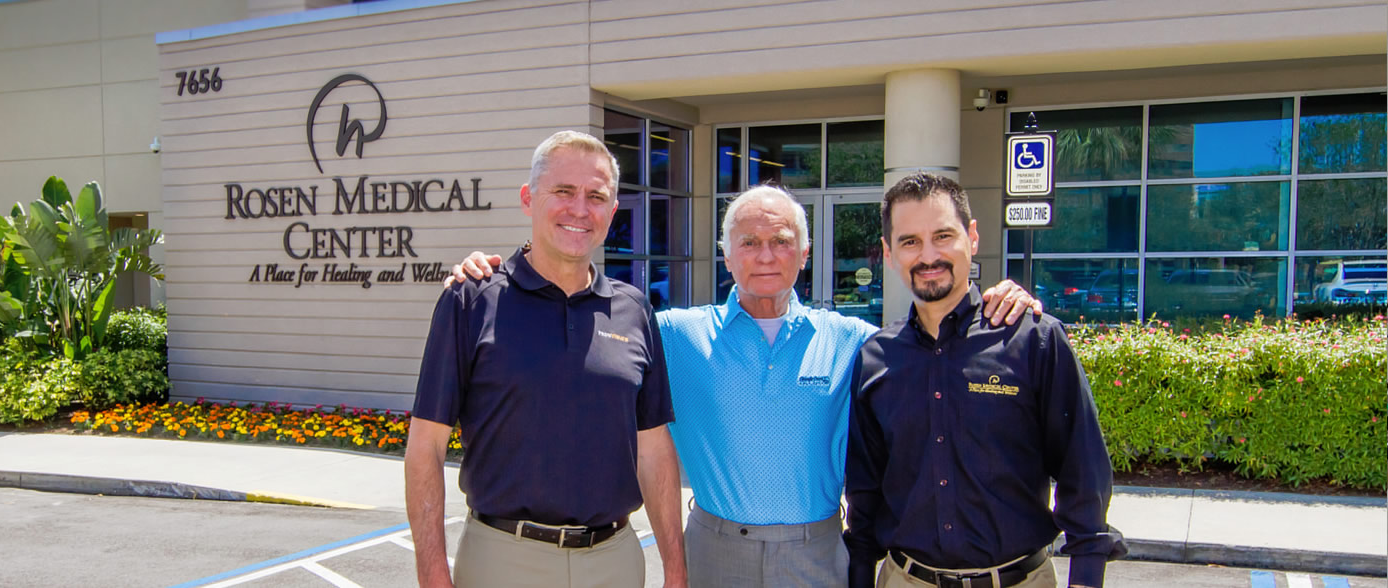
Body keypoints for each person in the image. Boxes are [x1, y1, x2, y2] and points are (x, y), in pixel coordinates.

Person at [446, 184, 1041, 587]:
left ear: (804, 252)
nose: (765, 255)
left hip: (817, 554)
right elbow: (578, 317)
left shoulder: (859, 340)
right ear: (725, 253)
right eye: (749, 242)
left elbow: (937, 344)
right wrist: (497, 274)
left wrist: (1001, 302)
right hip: (712, 550)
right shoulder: (672, 333)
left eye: (781, 240)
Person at [404, 130, 687, 588]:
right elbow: (426, 446)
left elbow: (653, 448)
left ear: (612, 211)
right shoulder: (472, 299)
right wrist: (433, 576)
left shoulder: (634, 310)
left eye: (596, 196)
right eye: (563, 191)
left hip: (614, 562)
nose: (580, 209)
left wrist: (676, 570)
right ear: (528, 198)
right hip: (503, 560)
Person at [845, 172, 1121, 588]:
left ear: (971, 238)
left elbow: (1083, 471)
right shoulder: (875, 358)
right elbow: (865, 492)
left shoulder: (1034, 339)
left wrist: (1085, 578)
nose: (928, 255)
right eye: (909, 241)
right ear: (888, 252)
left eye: (943, 236)